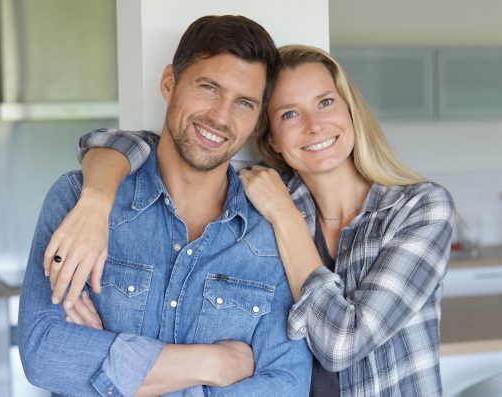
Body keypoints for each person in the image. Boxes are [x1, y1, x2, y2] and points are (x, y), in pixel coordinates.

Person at [47, 45, 455, 396]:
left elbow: (341, 345)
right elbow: (159, 148)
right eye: (289, 114)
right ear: (271, 137)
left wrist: (283, 215)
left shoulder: (419, 209)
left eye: (325, 102)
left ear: (350, 110)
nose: (314, 125)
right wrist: (95, 202)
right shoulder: (261, 188)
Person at [18, 15, 312, 397]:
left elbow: (284, 386)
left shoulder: (272, 231)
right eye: (208, 88)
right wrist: (213, 364)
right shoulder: (79, 200)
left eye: (244, 103)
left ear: (257, 118)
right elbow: (44, 353)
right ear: (169, 82)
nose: (221, 117)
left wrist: (122, 373)